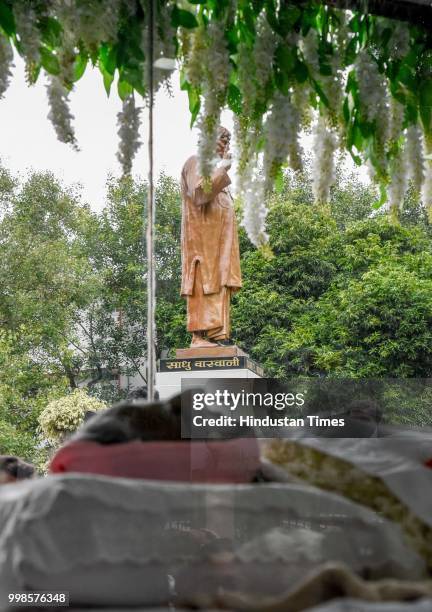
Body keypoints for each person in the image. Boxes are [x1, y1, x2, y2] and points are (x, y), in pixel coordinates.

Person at [180, 126, 242, 348]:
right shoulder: (196, 162)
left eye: (227, 142)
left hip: (218, 246)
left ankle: (215, 335)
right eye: (220, 140)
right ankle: (199, 336)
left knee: (218, 286)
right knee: (203, 283)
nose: (224, 146)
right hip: (202, 245)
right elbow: (199, 194)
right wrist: (223, 168)